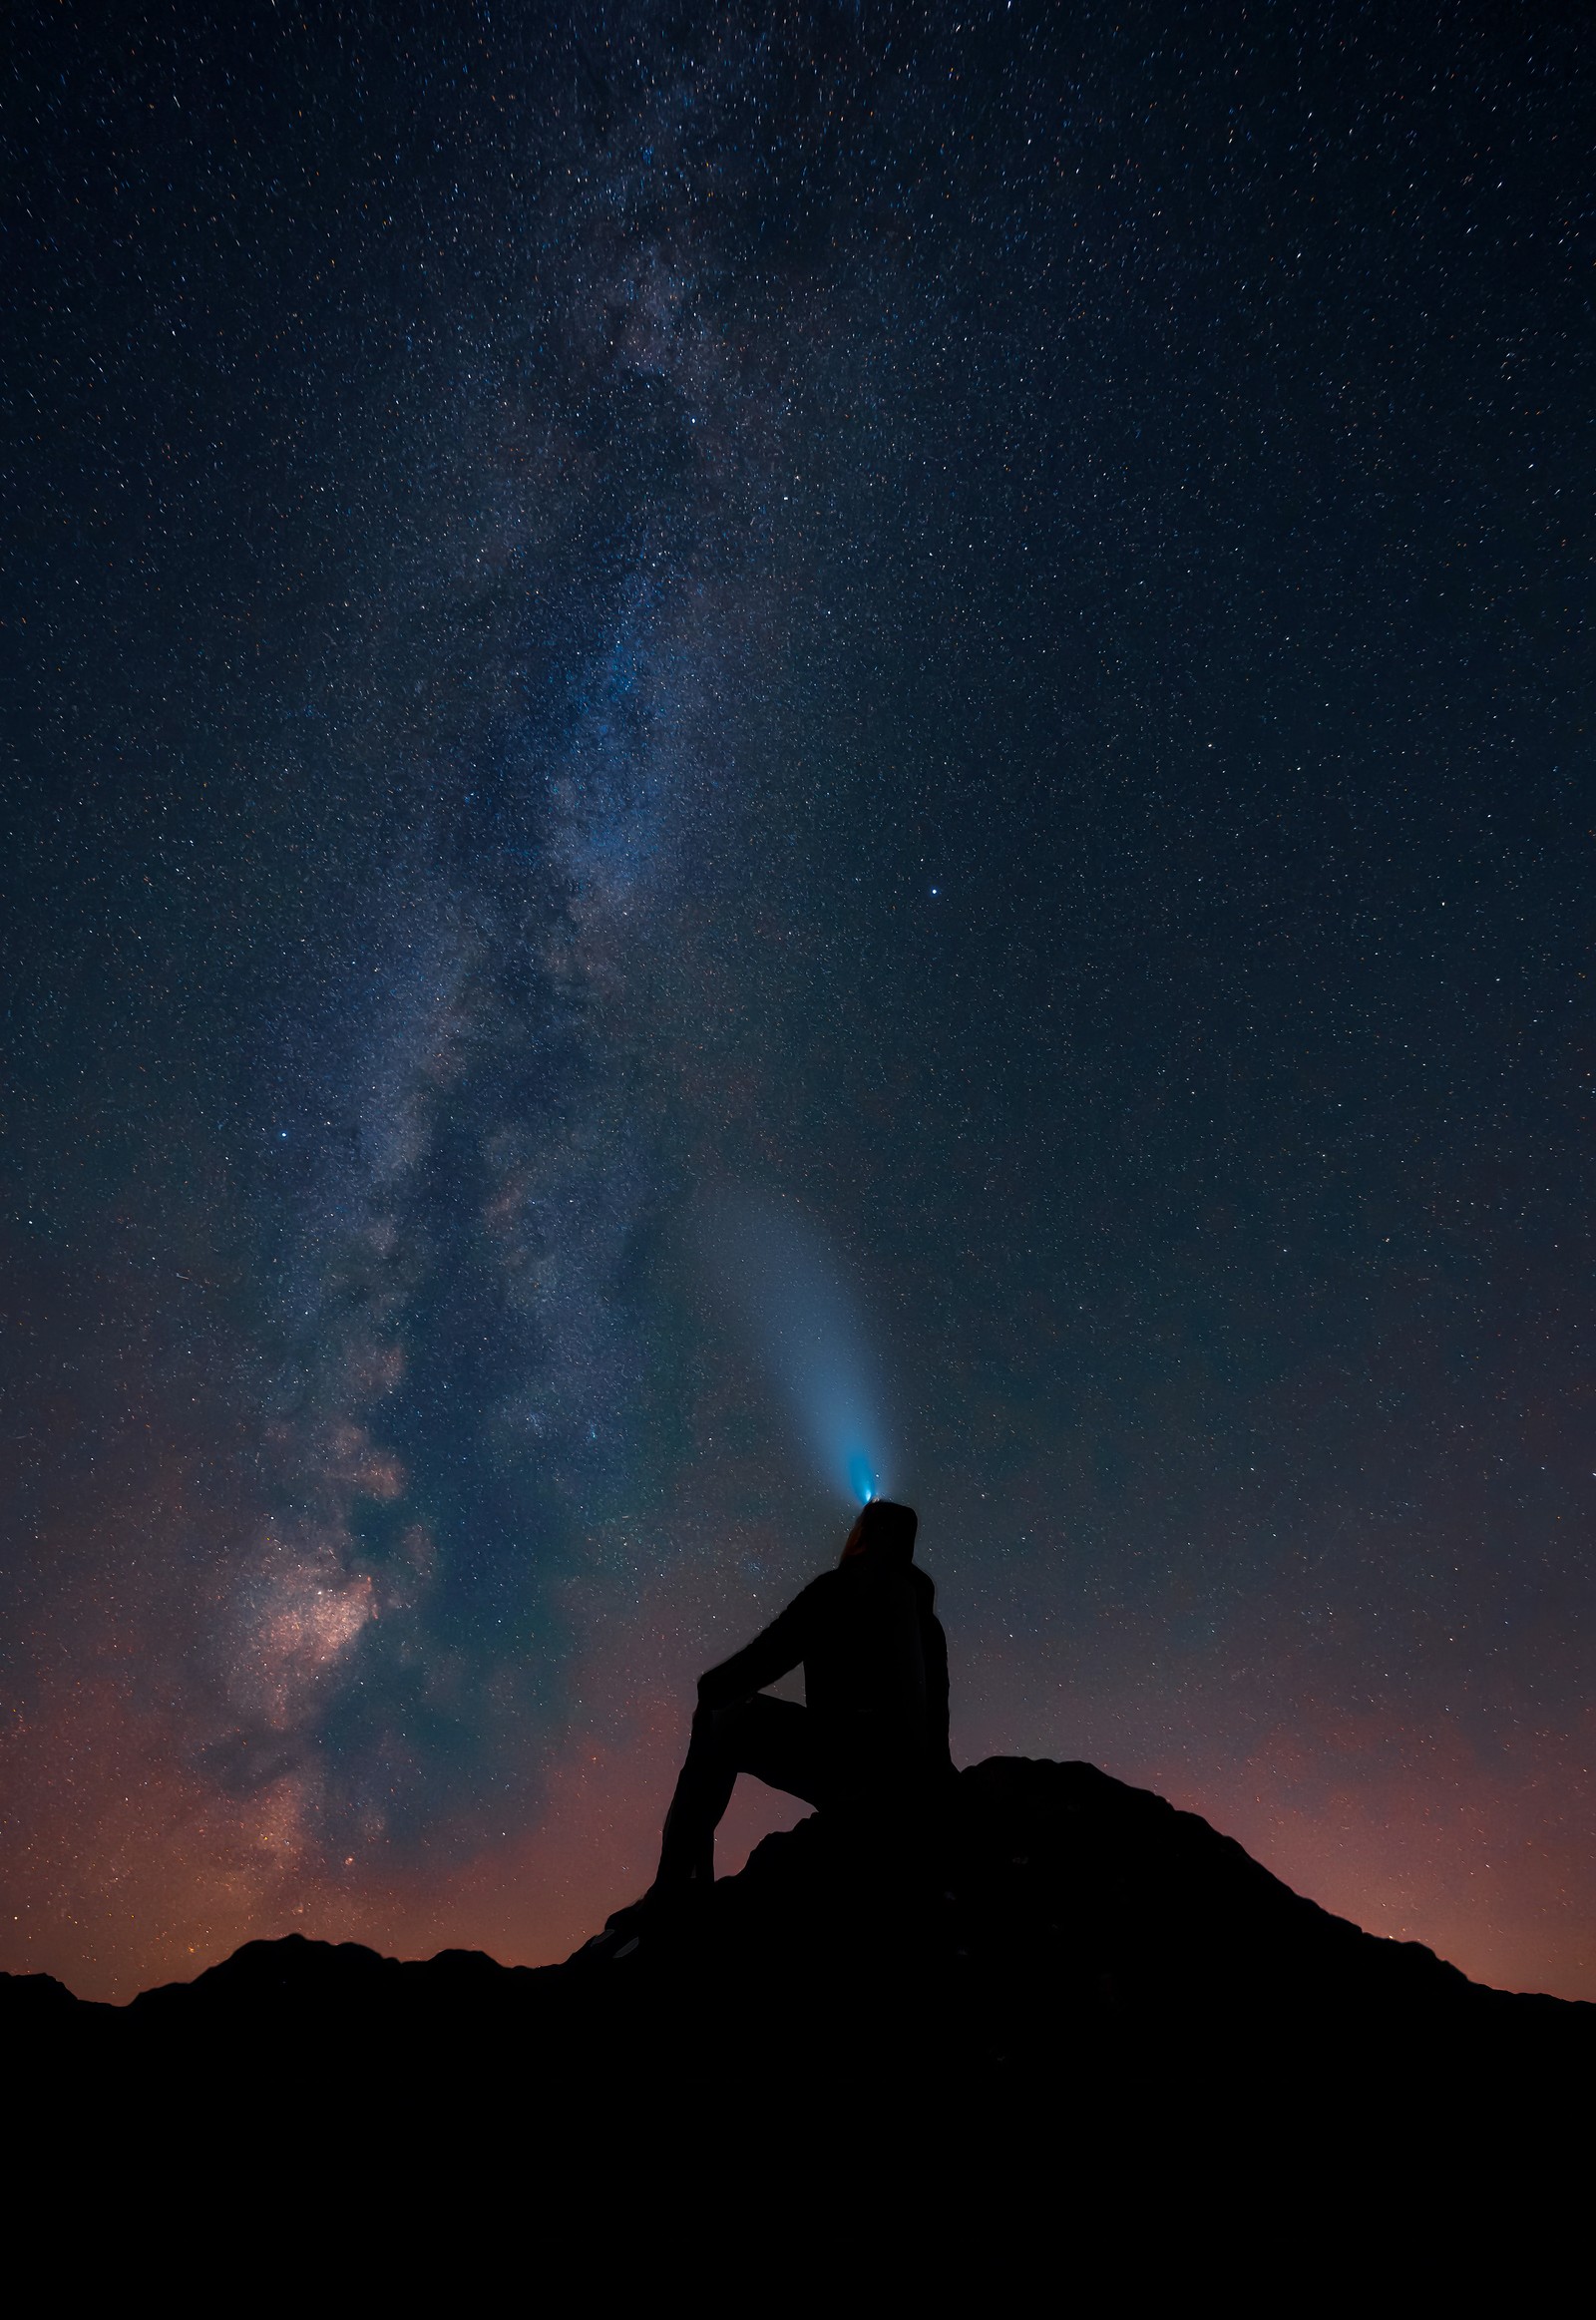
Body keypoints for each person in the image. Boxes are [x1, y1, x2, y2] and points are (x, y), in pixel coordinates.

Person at [650, 1497, 952, 1893]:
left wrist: (711, 1688)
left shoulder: (840, 1588)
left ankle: (677, 1887)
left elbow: (763, 1659)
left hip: (852, 1767)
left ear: (866, 1535)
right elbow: (936, 1718)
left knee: (724, 1717)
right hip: (915, 1783)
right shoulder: (928, 1622)